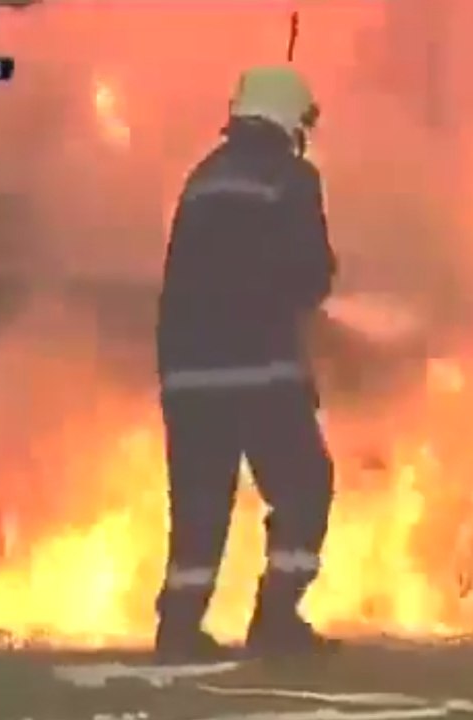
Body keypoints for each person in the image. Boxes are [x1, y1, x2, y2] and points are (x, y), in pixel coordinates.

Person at [153, 64, 338, 661]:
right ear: (290, 119)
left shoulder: (202, 178)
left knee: (201, 505)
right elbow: (309, 273)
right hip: (260, 370)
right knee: (305, 485)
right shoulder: (291, 178)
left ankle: (179, 630)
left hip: (187, 377)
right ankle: (277, 618)